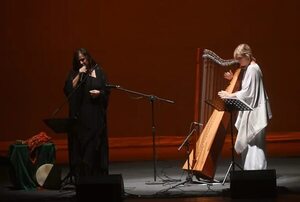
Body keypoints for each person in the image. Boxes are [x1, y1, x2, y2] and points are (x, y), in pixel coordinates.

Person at [218, 43, 272, 170]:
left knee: (254, 143)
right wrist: (233, 79)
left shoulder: (253, 69)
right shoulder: (249, 68)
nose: (238, 61)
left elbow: (249, 93)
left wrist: (229, 95)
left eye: (239, 58)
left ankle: (256, 171)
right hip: (252, 109)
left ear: (247, 56)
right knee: (250, 143)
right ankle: (251, 170)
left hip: (254, 111)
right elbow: (248, 87)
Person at [63, 48, 110, 180]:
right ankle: (83, 174)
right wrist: (79, 74)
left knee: (96, 142)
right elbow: (69, 90)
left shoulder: (99, 71)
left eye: (83, 59)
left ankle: (96, 173)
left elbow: (106, 91)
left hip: (96, 114)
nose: (82, 62)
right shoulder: (74, 73)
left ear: (88, 57)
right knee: (83, 143)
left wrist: (99, 94)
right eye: (79, 61)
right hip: (81, 115)